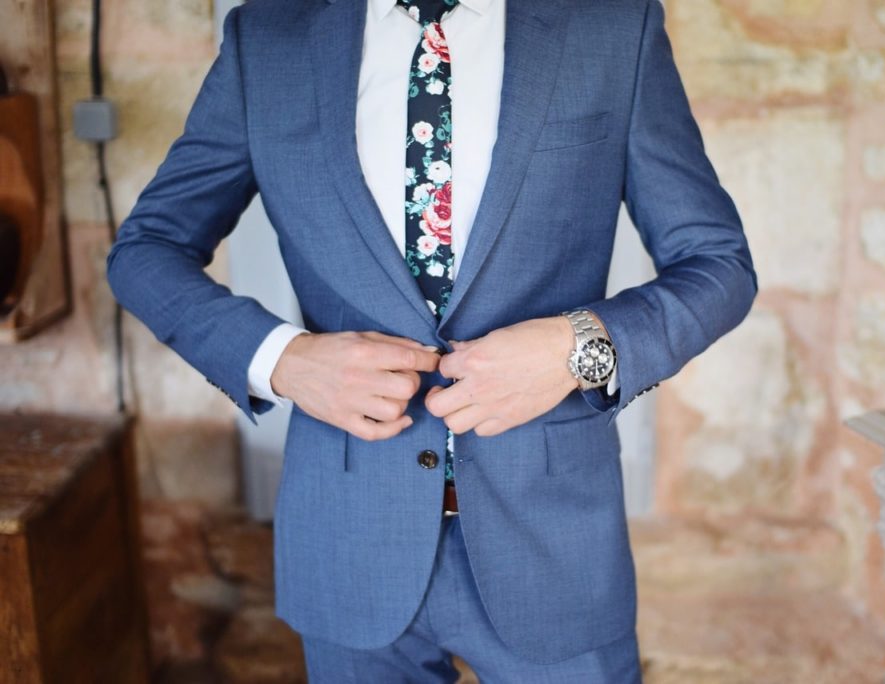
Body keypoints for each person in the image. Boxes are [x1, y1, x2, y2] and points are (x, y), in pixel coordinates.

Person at [106, 0, 758, 680]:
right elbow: (146, 251)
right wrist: (285, 362)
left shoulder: (611, 28)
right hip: (348, 536)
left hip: (553, 548)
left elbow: (719, 266)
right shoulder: (266, 38)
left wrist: (577, 347)